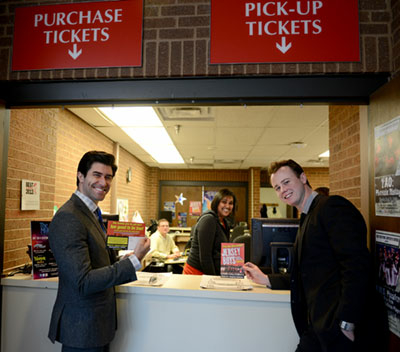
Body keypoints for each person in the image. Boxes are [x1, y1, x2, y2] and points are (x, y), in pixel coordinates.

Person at [243, 159, 387, 352]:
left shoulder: (331, 207)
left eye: (286, 182)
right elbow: (306, 273)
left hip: (342, 329)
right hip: (320, 328)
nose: (282, 190)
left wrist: (347, 323)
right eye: (277, 187)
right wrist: (267, 278)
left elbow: (357, 265)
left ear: (303, 178)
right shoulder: (306, 218)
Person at [48, 151, 150, 352]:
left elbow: (97, 261)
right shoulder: (69, 217)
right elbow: (83, 281)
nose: (103, 182)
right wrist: (133, 262)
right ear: (80, 176)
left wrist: (123, 257)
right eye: (97, 175)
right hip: (82, 330)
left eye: (108, 177)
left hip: (96, 327)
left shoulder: (92, 213)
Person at [183, 188, 236, 275]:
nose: (227, 206)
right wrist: (213, 280)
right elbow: (205, 257)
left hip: (211, 272)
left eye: (230, 203)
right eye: (224, 202)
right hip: (196, 273)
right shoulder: (208, 220)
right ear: (217, 203)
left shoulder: (225, 222)